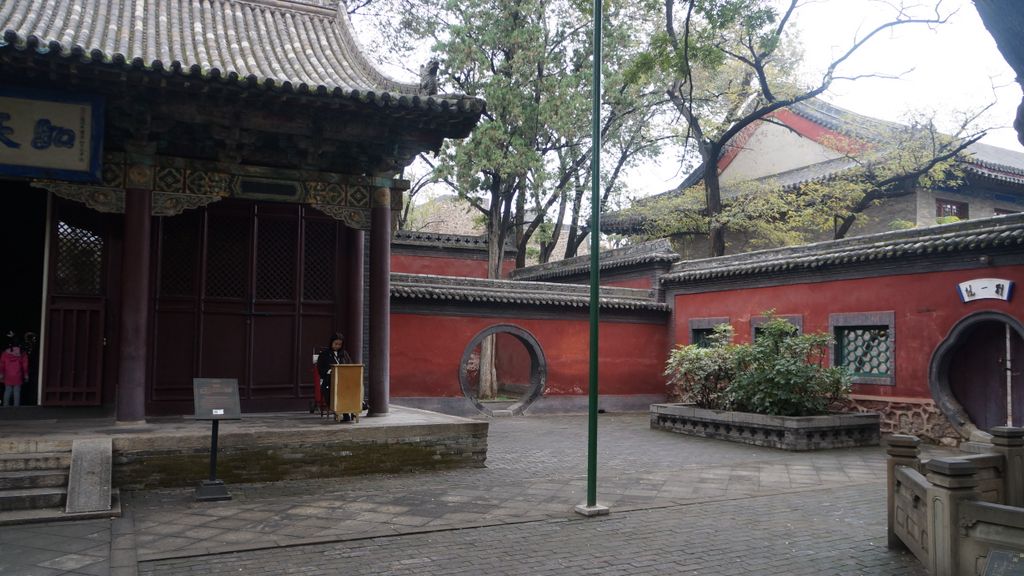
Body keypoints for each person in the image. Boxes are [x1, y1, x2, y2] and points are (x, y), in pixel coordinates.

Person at [316, 333, 354, 421]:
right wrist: (330, 371)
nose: (337, 346)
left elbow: (350, 365)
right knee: (333, 391)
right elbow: (320, 368)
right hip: (329, 381)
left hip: (344, 381)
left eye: (339, 344)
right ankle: (341, 411)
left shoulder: (344, 354)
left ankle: (350, 410)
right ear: (331, 343)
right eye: (335, 344)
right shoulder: (324, 354)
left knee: (350, 389)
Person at [1, 332, 29, 407]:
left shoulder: (5, 353)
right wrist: (26, 375)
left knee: (7, 390)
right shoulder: (22, 353)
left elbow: (2, 364)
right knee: (17, 391)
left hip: (8, 375)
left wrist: (1, 374)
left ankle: (5, 406)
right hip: (18, 375)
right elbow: (25, 365)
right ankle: (16, 408)